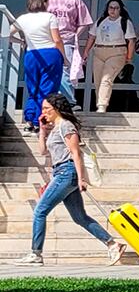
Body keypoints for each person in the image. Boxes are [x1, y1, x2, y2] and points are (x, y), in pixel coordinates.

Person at [14, 93, 124, 266]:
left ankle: (36, 253)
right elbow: (43, 152)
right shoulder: (55, 128)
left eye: (46, 108)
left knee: (40, 210)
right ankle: (112, 244)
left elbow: (75, 153)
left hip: (68, 171)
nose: (43, 112)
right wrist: (42, 132)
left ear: (57, 109)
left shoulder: (66, 126)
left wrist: (81, 179)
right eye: (42, 108)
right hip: (60, 172)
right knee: (79, 217)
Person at [13, 0, 65, 133]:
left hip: (31, 54)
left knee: (33, 89)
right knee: (47, 88)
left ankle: (30, 118)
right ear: (43, 2)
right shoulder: (49, 17)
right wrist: (64, 57)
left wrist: (21, 41)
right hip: (50, 53)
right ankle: (40, 120)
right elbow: (57, 40)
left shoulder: (22, 18)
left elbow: (6, 34)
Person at [46, 0, 93, 107]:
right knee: (49, 70)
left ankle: (69, 101)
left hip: (67, 39)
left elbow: (84, 21)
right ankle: (50, 101)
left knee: (66, 71)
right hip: (48, 40)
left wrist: (76, 35)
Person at [86, 0, 135, 113]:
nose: (113, 10)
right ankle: (100, 104)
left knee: (106, 79)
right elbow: (91, 37)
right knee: (98, 80)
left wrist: (129, 57)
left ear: (120, 10)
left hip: (116, 52)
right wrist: (86, 52)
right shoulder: (101, 20)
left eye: (116, 8)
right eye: (111, 7)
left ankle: (102, 105)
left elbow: (131, 41)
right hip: (99, 51)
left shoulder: (125, 22)